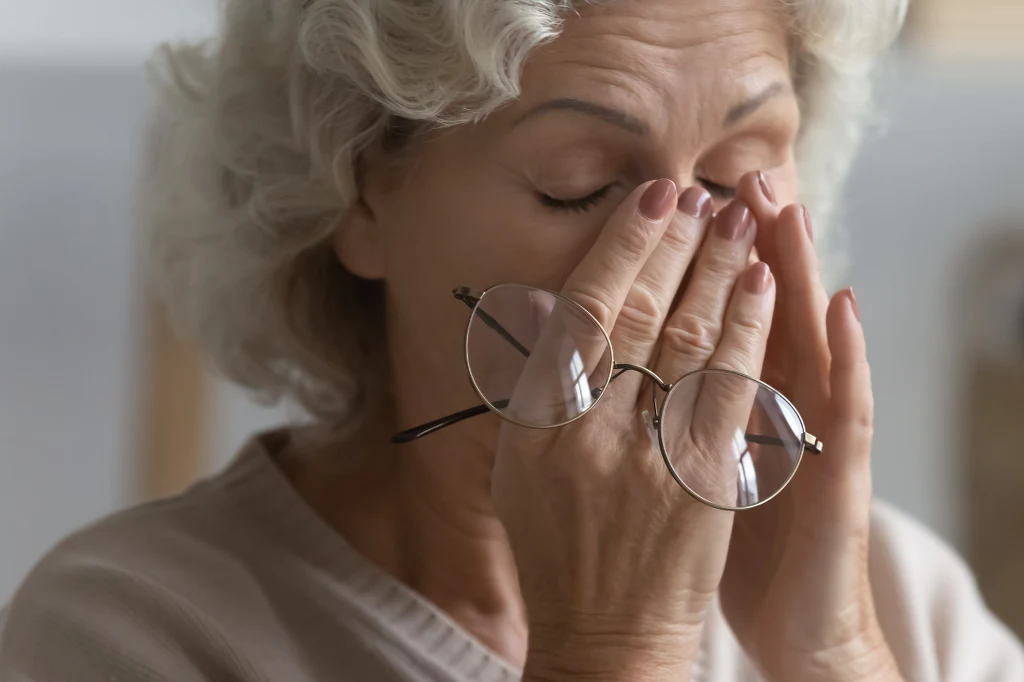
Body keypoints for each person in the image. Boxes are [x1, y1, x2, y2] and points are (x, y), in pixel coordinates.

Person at [1, 0, 1022, 680]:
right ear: (357, 188)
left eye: (739, 170)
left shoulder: (894, 593)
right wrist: (615, 647)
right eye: (578, 183)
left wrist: (836, 654)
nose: (684, 253)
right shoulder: (135, 633)